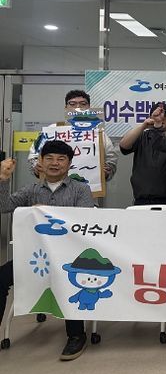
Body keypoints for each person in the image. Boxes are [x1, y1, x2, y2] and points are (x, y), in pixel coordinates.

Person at [0, 141, 95, 360]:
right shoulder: (31, 190)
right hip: (36, 258)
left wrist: (46, 212)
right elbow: (4, 206)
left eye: (61, 159)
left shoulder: (81, 189)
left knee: (71, 278)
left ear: (69, 164)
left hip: (69, 256)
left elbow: (85, 221)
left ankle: (76, 336)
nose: (55, 163)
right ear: (40, 162)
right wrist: (3, 179)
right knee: (1, 277)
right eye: (49, 158)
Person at [28, 89, 118, 180]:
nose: (78, 107)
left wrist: (108, 169)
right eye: (72, 104)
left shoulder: (98, 132)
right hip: (54, 185)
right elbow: (34, 154)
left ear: (89, 107)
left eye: (83, 104)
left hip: (91, 184)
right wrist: (36, 167)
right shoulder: (52, 130)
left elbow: (111, 157)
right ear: (66, 107)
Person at [119, 102, 166, 205]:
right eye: (157, 116)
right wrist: (144, 126)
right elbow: (123, 146)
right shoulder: (142, 136)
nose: (160, 119)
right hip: (141, 199)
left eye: (164, 116)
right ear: (150, 118)